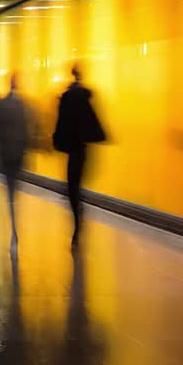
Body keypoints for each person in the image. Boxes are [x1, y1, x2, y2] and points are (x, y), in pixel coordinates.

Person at [52, 65, 106, 247]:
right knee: (78, 184)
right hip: (83, 149)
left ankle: (77, 221)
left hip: (72, 148)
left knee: (72, 187)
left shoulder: (67, 98)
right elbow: (94, 122)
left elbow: (61, 123)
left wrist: (57, 141)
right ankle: (79, 216)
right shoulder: (86, 98)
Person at [0, 74, 32, 244]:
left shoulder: (2, 103)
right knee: (14, 180)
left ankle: (12, 211)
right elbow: (28, 127)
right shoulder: (24, 105)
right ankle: (13, 205)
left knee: (9, 181)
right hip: (18, 150)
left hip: (5, 150)